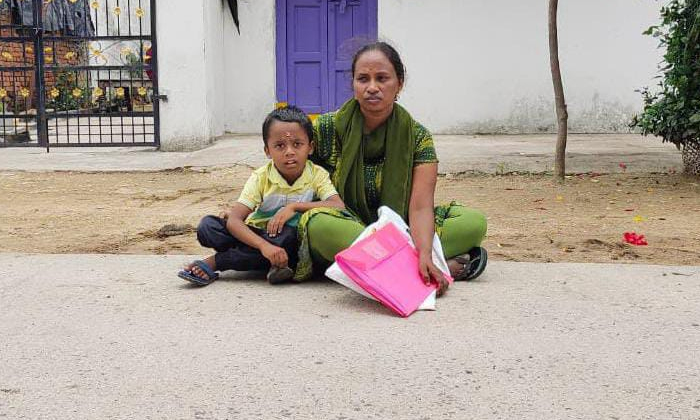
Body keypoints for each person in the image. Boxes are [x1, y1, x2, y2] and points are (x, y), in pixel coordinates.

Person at [294, 42, 488, 296]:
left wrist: (425, 250)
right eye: (363, 79)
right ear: (353, 84)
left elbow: (420, 207)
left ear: (400, 83)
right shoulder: (327, 128)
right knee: (319, 227)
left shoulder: (418, 137)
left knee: (473, 223)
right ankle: (425, 270)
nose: (372, 87)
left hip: (402, 226)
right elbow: (289, 175)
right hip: (346, 223)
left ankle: (374, 268)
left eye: (382, 78)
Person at [178, 106, 345, 286]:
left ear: (310, 147)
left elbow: (337, 205)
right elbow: (235, 220)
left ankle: (216, 262)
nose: (289, 151)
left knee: (289, 238)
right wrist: (264, 247)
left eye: (297, 144)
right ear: (267, 151)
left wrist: (294, 207)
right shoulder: (261, 177)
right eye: (280, 146)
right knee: (208, 227)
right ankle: (270, 261)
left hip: (286, 240)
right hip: (258, 235)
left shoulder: (316, 174)